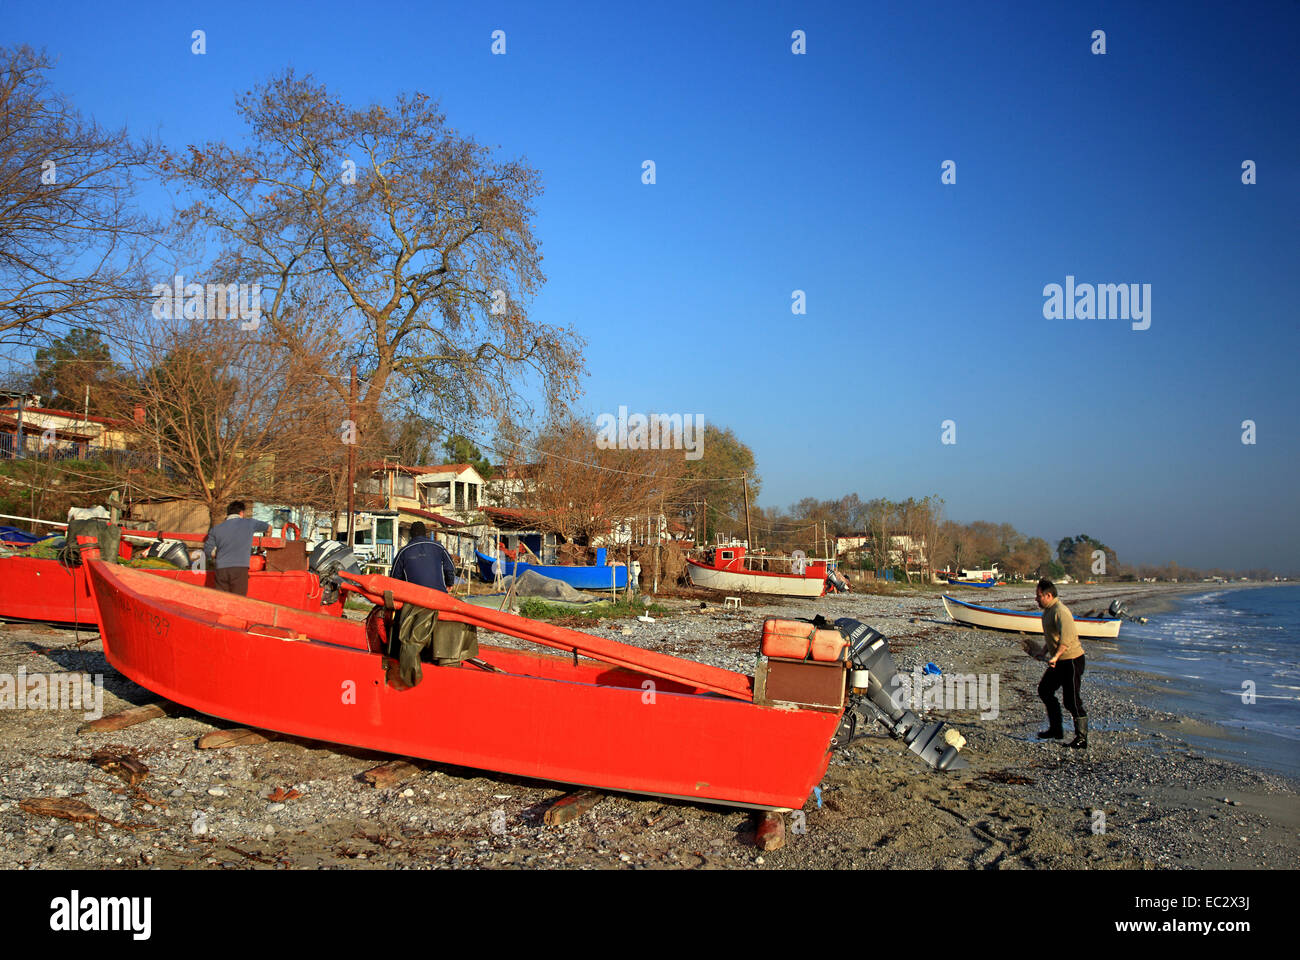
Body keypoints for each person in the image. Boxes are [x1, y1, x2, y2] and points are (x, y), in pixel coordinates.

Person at [1034, 578, 1088, 748]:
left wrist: (1055, 656)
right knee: (1045, 690)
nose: (1036, 599)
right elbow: (1053, 637)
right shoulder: (1048, 611)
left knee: (1071, 700)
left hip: (1071, 660)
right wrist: (1043, 651)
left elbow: (1067, 638)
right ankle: (1056, 729)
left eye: (1039, 596)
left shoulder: (1060, 611)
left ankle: (1082, 738)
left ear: (1049, 595)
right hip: (1059, 660)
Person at [203, 501, 270, 596]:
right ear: (241, 513)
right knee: (238, 600)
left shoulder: (216, 529)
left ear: (228, 513)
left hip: (221, 569)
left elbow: (208, 551)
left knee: (221, 599)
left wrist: (218, 557)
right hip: (240, 568)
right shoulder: (249, 523)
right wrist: (266, 539)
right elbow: (268, 527)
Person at [389, 522, 456, 593]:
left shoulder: (403, 551)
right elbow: (450, 568)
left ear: (411, 534)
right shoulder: (439, 547)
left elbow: (394, 577)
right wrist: (449, 583)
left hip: (413, 596)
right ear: (425, 533)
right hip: (438, 594)